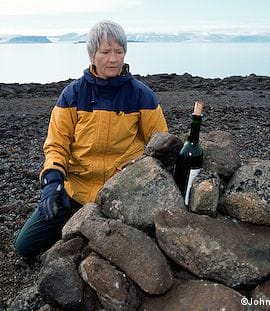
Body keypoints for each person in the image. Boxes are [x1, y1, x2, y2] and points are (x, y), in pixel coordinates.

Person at [14, 20, 168, 258]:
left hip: (121, 193)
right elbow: (57, 145)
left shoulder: (142, 96)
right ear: (92, 55)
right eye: (105, 52)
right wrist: (52, 181)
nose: (113, 59)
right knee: (25, 246)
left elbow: (160, 146)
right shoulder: (72, 95)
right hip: (75, 191)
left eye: (119, 51)